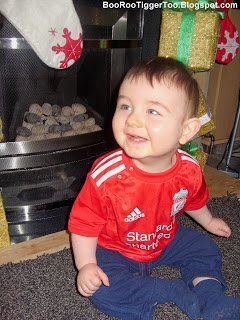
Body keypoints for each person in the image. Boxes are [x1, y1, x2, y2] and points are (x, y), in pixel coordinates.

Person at [68, 57, 240, 320]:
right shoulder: (107, 175)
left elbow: (192, 199)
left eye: (153, 111)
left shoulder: (189, 169)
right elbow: (83, 224)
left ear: (185, 131)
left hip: (165, 240)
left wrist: (208, 220)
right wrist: (86, 265)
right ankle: (166, 290)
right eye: (125, 106)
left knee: (203, 247)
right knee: (101, 289)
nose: (133, 120)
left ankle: (211, 297)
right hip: (115, 248)